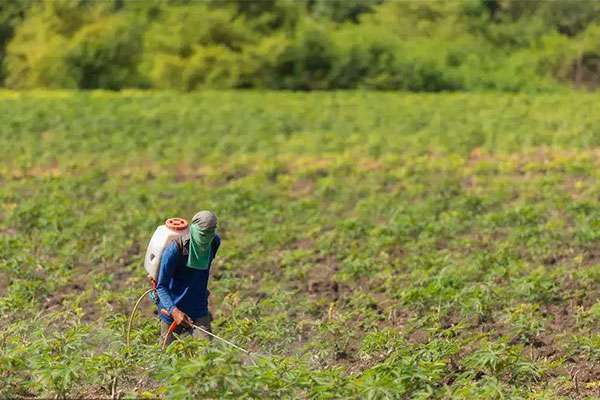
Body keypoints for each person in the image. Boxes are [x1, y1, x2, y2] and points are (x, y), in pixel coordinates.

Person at [156, 210, 221, 346]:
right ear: (193, 229)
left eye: (210, 233)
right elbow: (161, 286)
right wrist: (174, 311)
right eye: (202, 234)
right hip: (172, 308)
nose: (205, 238)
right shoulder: (174, 250)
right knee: (166, 356)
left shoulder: (214, 242)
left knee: (207, 354)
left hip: (198, 308)